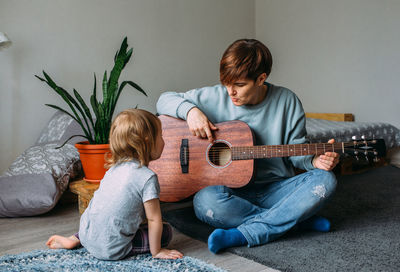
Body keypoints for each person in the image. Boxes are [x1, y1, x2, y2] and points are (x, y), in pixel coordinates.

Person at [156, 39, 339, 254]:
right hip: (232, 194)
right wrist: (190, 112)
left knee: (325, 180)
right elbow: (164, 99)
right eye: (226, 83)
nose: (230, 92)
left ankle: (246, 233)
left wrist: (315, 161)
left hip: (276, 188)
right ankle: (293, 220)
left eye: (239, 85)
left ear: (261, 79)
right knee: (205, 202)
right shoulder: (213, 96)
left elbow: (296, 151)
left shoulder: (287, 101)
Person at [46, 109, 183, 260]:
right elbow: (153, 219)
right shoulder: (147, 177)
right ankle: (121, 245)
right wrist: (157, 251)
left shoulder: (114, 168)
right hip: (110, 249)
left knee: (104, 218)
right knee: (166, 231)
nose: (164, 141)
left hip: (87, 233)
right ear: (147, 141)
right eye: (161, 136)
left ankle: (75, 239)